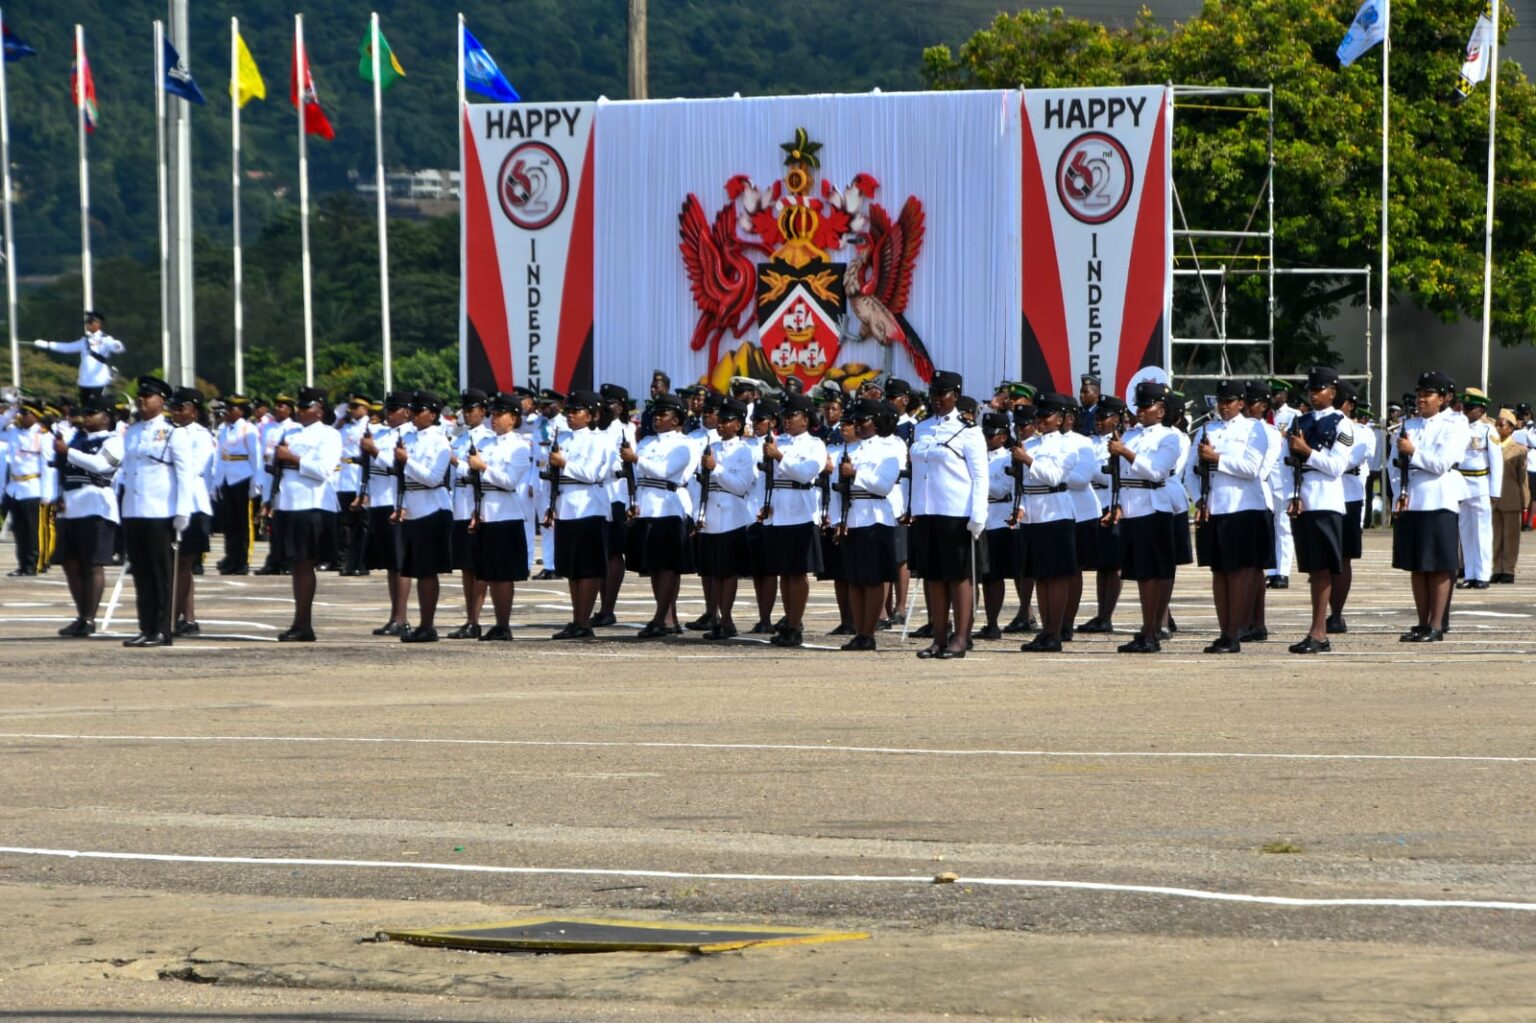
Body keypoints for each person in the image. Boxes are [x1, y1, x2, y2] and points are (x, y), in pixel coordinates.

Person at [908, 370, 987, 659]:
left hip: (956, 511)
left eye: (943, 395)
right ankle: (938, 638)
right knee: (933, 578)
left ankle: (960, 638)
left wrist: (978, 515)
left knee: (958, 577)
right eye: (934, 395)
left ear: (955, 395)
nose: (937, 400)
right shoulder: (922, 428)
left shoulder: (969, 431)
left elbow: (980, 476)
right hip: (926, 510)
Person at [1191, 378, 1271, 653]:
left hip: (1243, 507)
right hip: (1215, 506)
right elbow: (1191, 469)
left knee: (1237, 572)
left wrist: (1217, 459)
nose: (1223, 407)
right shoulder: (1206, 429)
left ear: (1241, 403)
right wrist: (1199, 498)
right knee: (1218, 571)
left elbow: (1251, 467)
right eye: (1220, 401)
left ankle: (1234, 632)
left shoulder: (1253, 429)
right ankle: (1224, 630)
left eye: (1229, 402)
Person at [117, 376, 196, 647]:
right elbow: (127, 472)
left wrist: (182, 511)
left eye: (148, 396)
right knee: (141, 573)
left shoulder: (175, 432)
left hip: (161, 511)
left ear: (161, 401)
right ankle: (146, 627)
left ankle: (162, 630)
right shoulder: (133, 431)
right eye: (140, 396)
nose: (142, 400)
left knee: (161, 574)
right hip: (134, 510)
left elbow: (186, 475)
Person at [1390, 371, 1469, 642]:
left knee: (1437, 564)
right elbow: (1392, 464)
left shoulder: (1456, 424)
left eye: (1428, 394)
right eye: (1420, 393)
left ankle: (1436, 624)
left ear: (1444, 398)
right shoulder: (1408, 424)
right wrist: (1398, 493)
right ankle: (1422, 622)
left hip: (1439, 497)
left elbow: (1441, 462)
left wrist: (1413, 451)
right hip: (1411, 498)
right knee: (1417, 564)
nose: (1421, 399)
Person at [1280, 367, 1353, 654]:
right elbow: (1287, 464)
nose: (1312, 393)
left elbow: (1337, 466)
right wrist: (1293, 495)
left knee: (1322, 569)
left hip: (1326, 500)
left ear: (1332, 392)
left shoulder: (1342, 424)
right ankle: (1316, 629)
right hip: (1305, 498)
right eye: (1310, 388)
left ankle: (1319, 631)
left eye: (1319, 388)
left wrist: (1308, 451)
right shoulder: (1302, 420)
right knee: (1312, 568)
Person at [1106, 381, 1181, 653]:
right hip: (1132, 506)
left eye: (1147, 406)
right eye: (1139, 406)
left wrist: (1125, 452)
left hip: (1153, 506)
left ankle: (1151, 631)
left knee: (1152, 574)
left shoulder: (1169, 437)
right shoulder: (1131, 435)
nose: (1141, 411)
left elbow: (1158, 471)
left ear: (1161, 410)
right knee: (1140, 574)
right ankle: (1147, 629)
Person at [267, 386, 343, 641]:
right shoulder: (290, 432)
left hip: (312, 504)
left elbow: (323, 469)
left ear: (320, 410)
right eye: (298, 407)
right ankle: (300, 622)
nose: (299, 411)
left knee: (304, 563)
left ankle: (304, 624)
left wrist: (292, 457)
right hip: (288, 503)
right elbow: (276, 469)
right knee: (295, 565)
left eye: (305, 406)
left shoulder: (329, 435)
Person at [622, 392, 698, 637]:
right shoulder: (647, 442)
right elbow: (639, 477)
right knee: (655, 567)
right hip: (647, 506)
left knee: (667, 566)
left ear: (676, 420)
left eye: (662, 414)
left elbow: (665, 471)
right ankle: (668, 617)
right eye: (655, 414)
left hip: (669, 507)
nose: (656, 418)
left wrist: (636, 458)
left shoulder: (684, 443)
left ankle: (659, 617)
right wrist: (631, 502)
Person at [465, 392, 537, 640]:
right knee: (490, 573)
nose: (493, 419)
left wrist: (483, 467)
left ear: (514, 418)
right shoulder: (487, 444)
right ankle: (497, 623)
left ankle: (504, 624)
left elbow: (508, 482)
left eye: (499, 415)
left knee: (503, 574)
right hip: (487, 511)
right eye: (492, 414)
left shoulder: (518, 446)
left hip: (506, 513)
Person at [758, 392, 828, 648]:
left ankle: (796, 625)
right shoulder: (779, 441)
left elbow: (806, 473)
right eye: (784, 416)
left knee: (797, 572)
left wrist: (779, 457)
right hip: (779, 511)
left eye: (792, 415)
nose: (786, 421)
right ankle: (789, 622)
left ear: (806, 418)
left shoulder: (815, 445)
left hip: (801, 510)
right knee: (784, 573)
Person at [1013, 393, 1082, 652]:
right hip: (1033, 513)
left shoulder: (1066, 445)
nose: (1040, 421)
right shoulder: (1031, 444)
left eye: (1046, 416)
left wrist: (1028, 460)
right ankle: (1045, 630)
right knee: (1041, 576)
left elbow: (1054, 476)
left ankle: (1055, 631)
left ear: (1061, 418)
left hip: (1055, 512)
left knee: (1056, 577)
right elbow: (1023, 483)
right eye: (1038, 416)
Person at [50, 399, 121, 636]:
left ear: (107, 417)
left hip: (96, 505)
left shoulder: (114, 440)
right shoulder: (77, 439)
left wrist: (68, 452)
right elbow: (62, 469)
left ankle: (89, 618)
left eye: (93, 412)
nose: (87, 417)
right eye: (85, 413)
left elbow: (101, 466)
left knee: (93, 564)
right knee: (70, 563)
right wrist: (57, 495)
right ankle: (82, 615)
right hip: (71, 506)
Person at [837, 398, 903, 650]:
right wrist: (838, 519)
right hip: (853, 516)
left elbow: (884, 485)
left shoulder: (889, 448)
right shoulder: (851, 449)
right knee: (855, 578)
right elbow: (840, 489)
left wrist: (856, 474)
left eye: (862, 420)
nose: (858, 425)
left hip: (876, 516)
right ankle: (858, 630)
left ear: (875, 422)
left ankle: (869, 632)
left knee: (873, 578)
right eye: (856, 421)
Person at [547, 390, 611, 638]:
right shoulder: (564, 439)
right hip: (566, 506)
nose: (570, 416)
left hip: (589, 505)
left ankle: (584, 621)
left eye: (576, 411)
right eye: (569, 411)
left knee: (588, 567)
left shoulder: (598, 440)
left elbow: (592, 473)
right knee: (572, 568)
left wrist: (564, 464)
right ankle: (576, 619)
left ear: (592, 415)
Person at [695, 396, 757, 640]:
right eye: (719, 419)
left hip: (732, 514)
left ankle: (727, 618)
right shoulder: (713, 447)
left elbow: (741, 486)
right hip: (711, 512)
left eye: (727, 420)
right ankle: (717, 617)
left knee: (727, 571)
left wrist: (716, 468)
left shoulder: (745, 451)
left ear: (739, 425)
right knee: (713, 571)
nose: (720, 424)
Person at [394, 391, 453, 643]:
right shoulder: (407, 436)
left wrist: (407, 460)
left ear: (433, 414)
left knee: (427, 571)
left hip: (432, 507)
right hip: (413, 506)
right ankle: (422, 624)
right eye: (412, 411)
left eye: (419, 412)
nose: (413, 416)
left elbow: (433, 478)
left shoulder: (439, 441)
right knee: (416, 569)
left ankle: (427, 625)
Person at [360, 392, 414, 636]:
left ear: (406, 411)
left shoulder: (410, 434)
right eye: (387, 411)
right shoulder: (381, 432)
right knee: (390, 564)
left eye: (394, 410)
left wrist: (374, 452)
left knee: (400, 563)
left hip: (398, 502)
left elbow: (397, 467)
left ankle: (401, 617)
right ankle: (394, 615)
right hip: (380, 500)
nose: (388, 415)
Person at [168, 388, 216, 636]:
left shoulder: (201, 436)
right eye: (173, 407)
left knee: (184, 563)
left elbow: (194, 467)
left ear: (194, 410)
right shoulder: (168, 432)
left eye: (181, 407)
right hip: (168, 503)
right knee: (175, 565)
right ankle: (178, 616)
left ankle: (186, 617)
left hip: (193, 505)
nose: (175, 411)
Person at [446, 389, 493, 638]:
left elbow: (479, 471)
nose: (467, 412)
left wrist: (458, 463)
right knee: (466, 567)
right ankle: (469, 618)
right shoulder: (460, 438)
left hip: (479, 502)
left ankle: (475, 618)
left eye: (472, 408)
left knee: (479, 565)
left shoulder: (488, 438)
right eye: (465, 408)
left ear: (483, 411)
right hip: (461, 504)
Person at [1079, 395, 1127, 633]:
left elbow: (1112, 476)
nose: (1098, 421)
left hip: (1112, 502)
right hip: (1094, 505)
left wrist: (1089, 472)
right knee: (1101, 565)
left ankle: (1107, 615)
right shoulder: (1090, 442)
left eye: (1104, 417)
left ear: (1117, 419)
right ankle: (1100, 613)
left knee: (1113, 563)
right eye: (1097, 417)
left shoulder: (1121, 442)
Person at [1328, 382, 1372, 633]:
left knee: (1344, 558)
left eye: (1339, 400)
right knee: (1323, 560)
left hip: (1348, 495)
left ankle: (1336, 614)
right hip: (1323, 497)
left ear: (1350, 405)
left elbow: (1346, 461)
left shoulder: (1362, 433)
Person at [593, 383, 635, 628]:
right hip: (599, 495)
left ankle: (609, 607)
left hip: (617, 494)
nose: (603, 407)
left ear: (619, 406)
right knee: (601, 552)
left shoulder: (624, 431)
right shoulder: (598, 431)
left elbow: (630, 469)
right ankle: (603, 606)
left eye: (607, 403)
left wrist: (633, 501)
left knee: (613, 552)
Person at [974, 412, 1017, 640]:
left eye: (991, 435)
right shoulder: (974, 456)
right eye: (984, 434)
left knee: (993, 576)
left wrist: (977, 479)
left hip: (997, 517)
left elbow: (1001, 489)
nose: (986, 438)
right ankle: (968, 620)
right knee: (971, 575)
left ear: (1003, 436)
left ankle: (992, 623)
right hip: (976, 518)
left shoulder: (1008, 458)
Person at [1454, 387, 1501, 590]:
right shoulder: (1458, 428)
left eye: (1472, 408)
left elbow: (1496, 462)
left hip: (1481, 483)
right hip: (1462, 483)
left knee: (1482, 531)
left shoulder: (1488, 431)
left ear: (1481, 410)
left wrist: (1494, 491)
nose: (1467, 412)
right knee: (1465, 531)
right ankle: (1470, 574)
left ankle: (1483, 575)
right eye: (1466, 407)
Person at [212, 395, 262, 575]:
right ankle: (231, 558)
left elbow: (255, 457)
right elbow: (219, 457)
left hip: (242, 477)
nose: (227, 412)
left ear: (241, 411)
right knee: (229, 523)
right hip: (227, 478)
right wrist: (216, 483)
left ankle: (242, 560)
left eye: (232, 409)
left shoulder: (248, 429)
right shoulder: (224, 430)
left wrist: (256, 482)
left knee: (243, 523)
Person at [744, 400, 782, 633]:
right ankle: (763, 616)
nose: (755, 424)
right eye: (754, 420)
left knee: (770, 569)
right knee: (758, 570)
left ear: (772, 422)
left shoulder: (777, 444)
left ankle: (770, 618)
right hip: (752, 511)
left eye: (760, 420)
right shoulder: (748, 446)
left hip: (772, 510)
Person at [2, 399, 51, 576]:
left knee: (32, 531)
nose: (21, 416)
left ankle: (32, 564)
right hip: (15, 488)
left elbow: (47, 467)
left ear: (35, 416)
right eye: (20, 413)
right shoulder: (13, 432)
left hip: (33, 488)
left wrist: (47, 494)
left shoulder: (43, 436)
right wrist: (11, 408)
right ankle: (22, 564)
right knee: (19, 530)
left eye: (25, 413)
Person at [33, 310, 124, 403]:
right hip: (85, 380)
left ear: (98, 323)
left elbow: (114, 346)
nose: (87, 324)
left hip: (98, 379)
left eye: (90, 322)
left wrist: (117, 345)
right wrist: (47, 344)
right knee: (85, 406)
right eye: (86, 322)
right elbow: (67, 348)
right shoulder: (84, 340)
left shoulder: (105, 339)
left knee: (98, 405)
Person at [336, 393, 374, 576]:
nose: (352, 411)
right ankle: (347, 561)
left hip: (359, 477)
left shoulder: (369, 426)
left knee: (362, 524)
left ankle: (361, 562)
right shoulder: (345, 427)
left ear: (365, 408)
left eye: (356, 407)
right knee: (346, 524)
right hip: (344, 478)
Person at [1492, 408, 1528, 584]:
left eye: (1501, 424)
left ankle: (1508, 570)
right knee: (1495, 536)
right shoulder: (1490, 445)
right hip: (1493, 498)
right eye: (1496, 424)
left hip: (1511, 496)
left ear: (1511, 428)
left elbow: (1522, 478)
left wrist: (1525, 499)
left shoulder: (1519, 450)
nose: (1497, 427)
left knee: (1511, 537)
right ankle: (1496, 568)